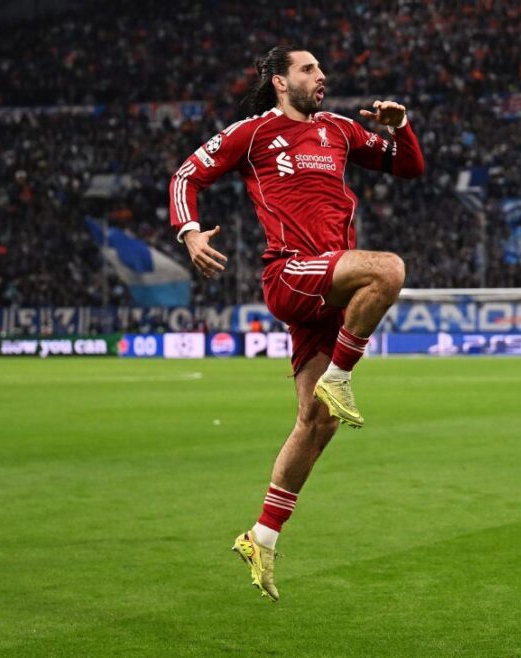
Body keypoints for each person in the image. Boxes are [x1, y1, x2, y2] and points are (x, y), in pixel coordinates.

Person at [168, 45, 425, 601]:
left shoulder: (339, 129)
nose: (321, 75)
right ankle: (340, 376)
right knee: (388, 270)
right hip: (290, 273)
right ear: (280, 81)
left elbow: (409, 167)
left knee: (317, 422)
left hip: (329, 286)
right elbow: (186, 175)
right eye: (309, 69)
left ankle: (261, 536)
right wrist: (189, 232)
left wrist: (401, 128)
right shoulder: (254, 133)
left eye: (320, 68)